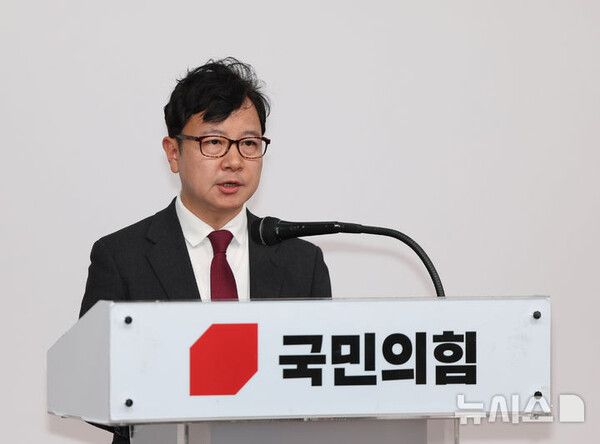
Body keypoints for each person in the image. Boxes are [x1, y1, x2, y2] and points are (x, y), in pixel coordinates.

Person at [79, 58, 331, 444]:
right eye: (213, 142)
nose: (234, 161)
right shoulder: (121, 257)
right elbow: (93, 385)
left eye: (249, 144)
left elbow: (322, 386)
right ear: (173, 152)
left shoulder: (302, 262)